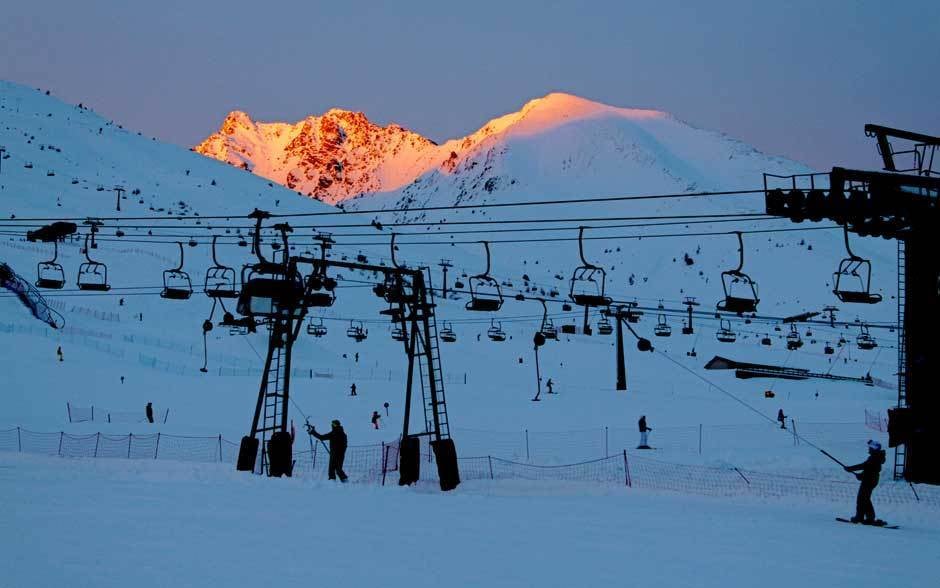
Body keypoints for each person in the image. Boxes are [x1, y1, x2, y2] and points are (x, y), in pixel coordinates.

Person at [844, 440, 887, 524]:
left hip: (869, 480)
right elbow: (868, 469)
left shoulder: (875, 457)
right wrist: (861, 476)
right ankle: (869, 517)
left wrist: (850, 468)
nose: (869, 449)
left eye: (870, 447)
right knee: (865, 498)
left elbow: (864, 466)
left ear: (874, 449)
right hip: (870, 479)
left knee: (861, 498)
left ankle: (860, 517)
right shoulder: (875, 456)